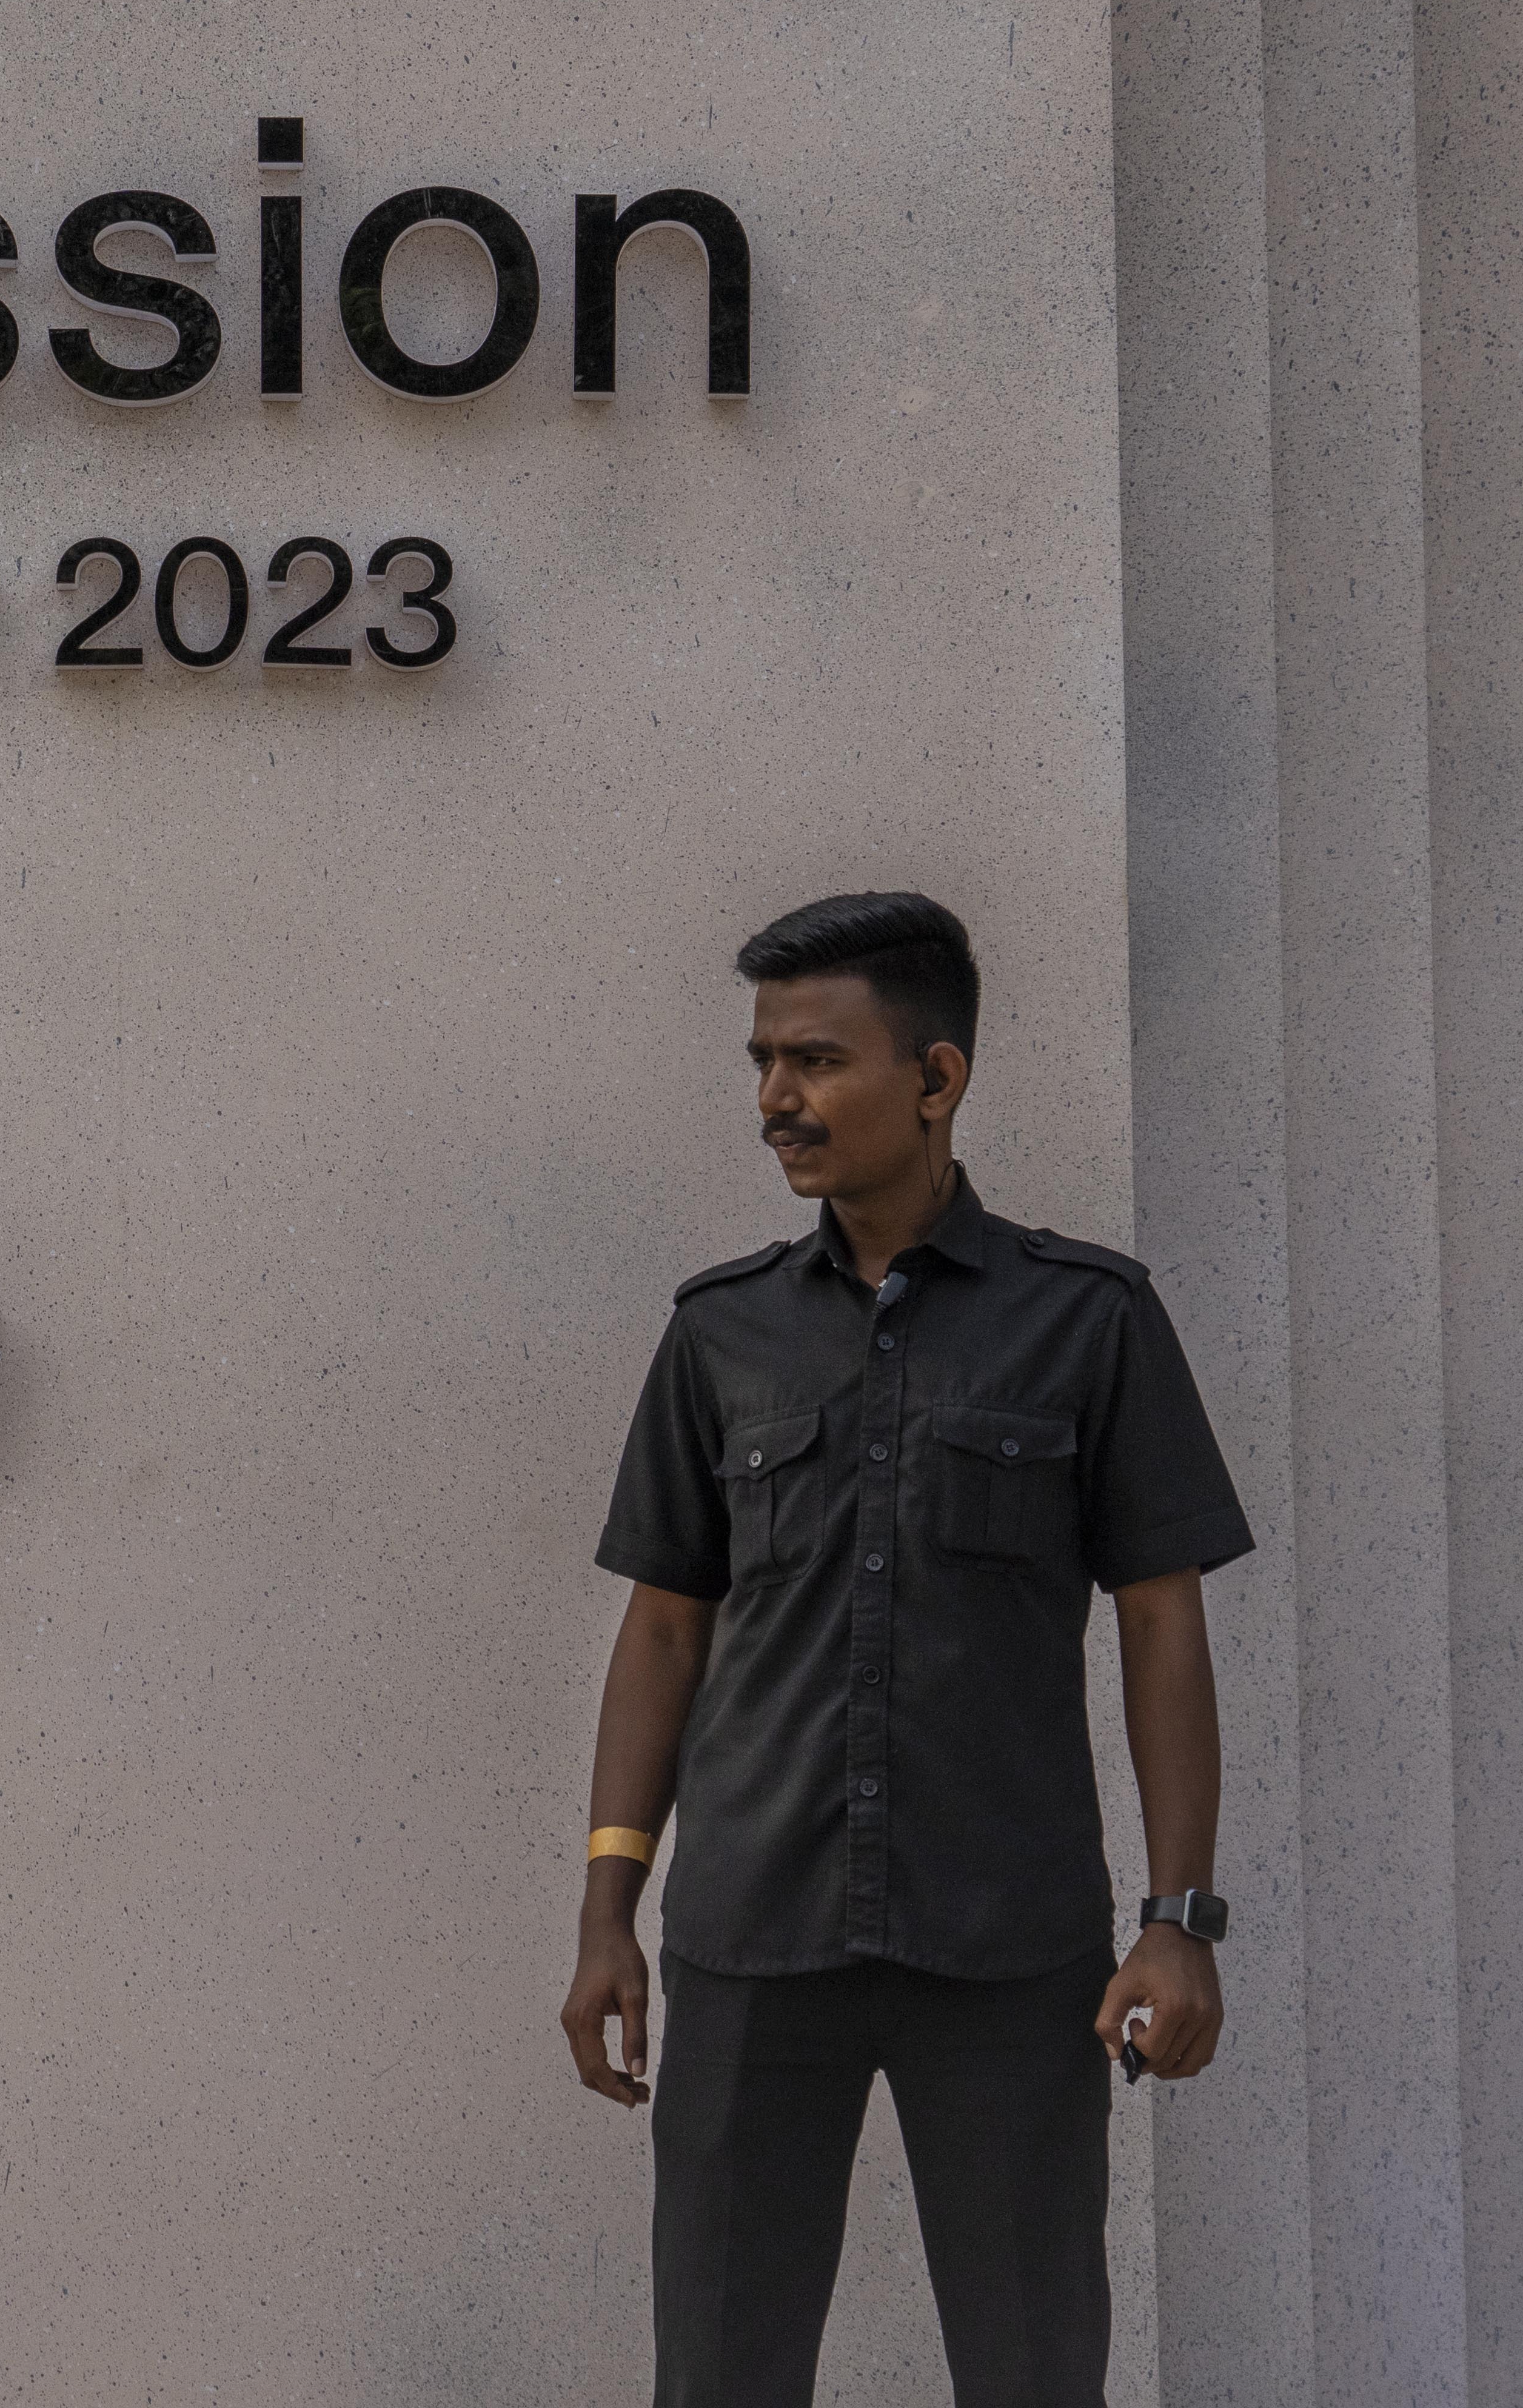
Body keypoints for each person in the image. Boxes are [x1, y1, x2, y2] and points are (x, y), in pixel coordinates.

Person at [560, 891, 1253, 2408]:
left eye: (815, 1061)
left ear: (936, 1079)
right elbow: (667, 1627)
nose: (775, 1103)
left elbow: (1162, 1623)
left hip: (1009, 1950)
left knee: (1033, 2370)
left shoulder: (1092, 1322)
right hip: (752, 1939)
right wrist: (611, 1909)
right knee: (722, 2376)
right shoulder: (721, 1336)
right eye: (761, 1062)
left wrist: (1180, 1916)